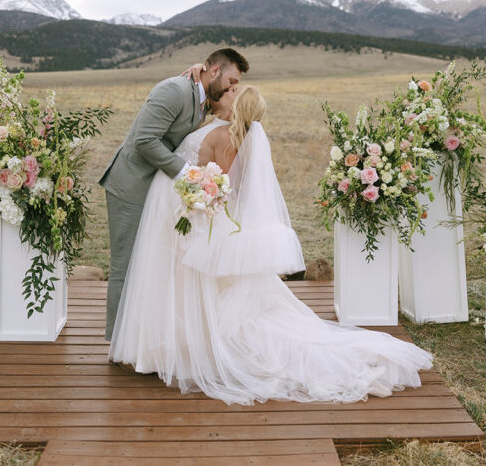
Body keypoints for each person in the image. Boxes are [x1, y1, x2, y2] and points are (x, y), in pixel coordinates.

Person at [109, 85, 433, 404]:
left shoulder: (227, 138)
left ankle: (185, 346)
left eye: (234, 91)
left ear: (237, 106)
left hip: (199, 219)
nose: (229, 89)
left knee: (203, 291)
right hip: (189, 216)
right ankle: (170, 343)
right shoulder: (216, 125)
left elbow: (225, 186)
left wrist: (199, 197)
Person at [98, 48, 249, 340]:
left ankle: (140, 337)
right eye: (231, 81)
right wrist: (187, 174)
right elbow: (144, 140)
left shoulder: (203, 95)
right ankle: (116, 342)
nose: (232, 88)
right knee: (125, 266)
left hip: (157, 190)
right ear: (215, 71)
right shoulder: (173, 90)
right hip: (131, 185)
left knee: (149, 263)